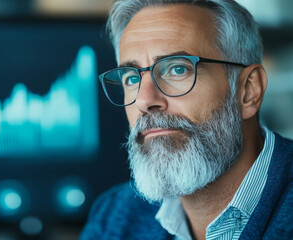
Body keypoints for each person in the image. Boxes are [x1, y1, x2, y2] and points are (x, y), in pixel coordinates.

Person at [81, 0, 293, 239]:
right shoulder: (114, 216)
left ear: (248, 90)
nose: (144, 100)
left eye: (177, 69)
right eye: (131, 78)